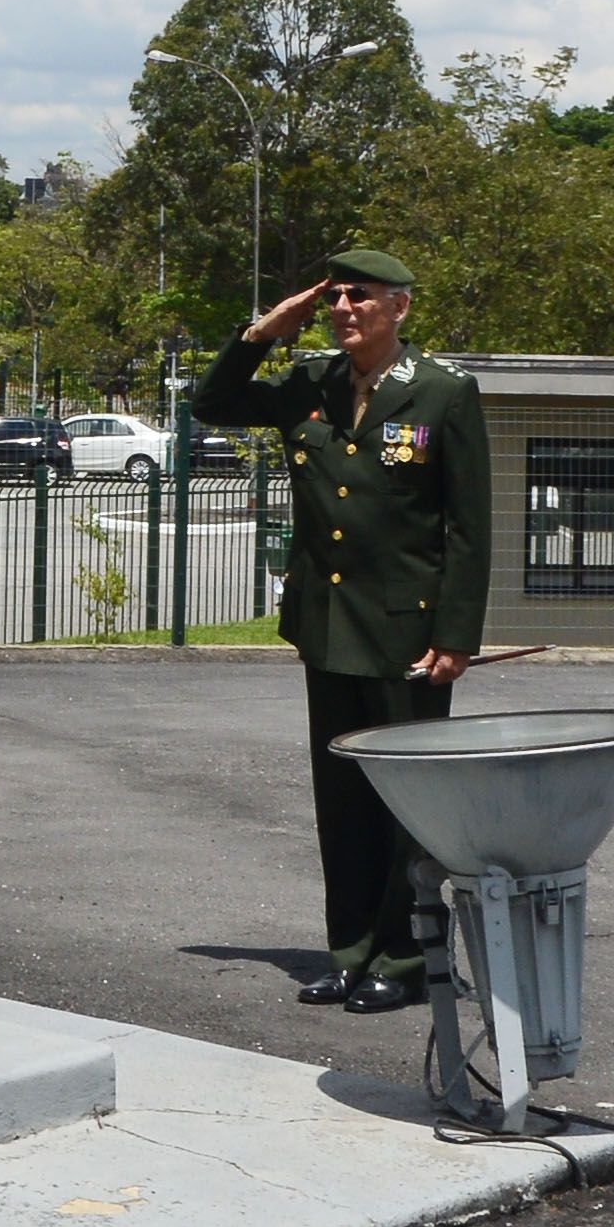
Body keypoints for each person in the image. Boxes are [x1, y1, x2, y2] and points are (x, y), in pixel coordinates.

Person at [192, 246, 490, 1014]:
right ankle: (350, 951)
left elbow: (467, 526)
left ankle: (408, 957)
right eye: (333, 298)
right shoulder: (310, 384)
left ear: (399, 306)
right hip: (327, 629)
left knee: (407, 805)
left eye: (359, 296)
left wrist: (456, 635)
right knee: (343, 801)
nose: (343, 309)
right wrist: (263, 329)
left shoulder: (441, 392)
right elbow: (212, 402)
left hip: (407, 637)